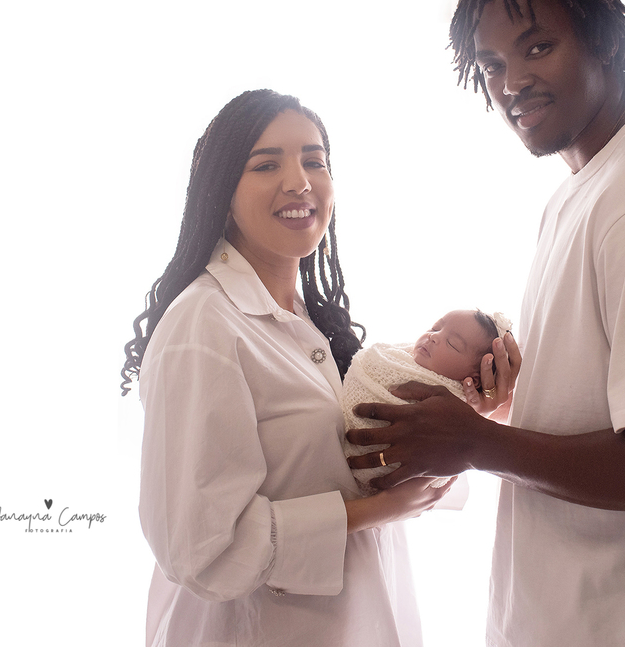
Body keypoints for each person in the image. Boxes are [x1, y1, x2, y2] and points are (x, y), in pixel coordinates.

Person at [346, 0, 625, 646]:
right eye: (492, 64)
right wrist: (505, 411)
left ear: (604, 40)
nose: (513, 82)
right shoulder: (587, 188)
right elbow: (606, 409)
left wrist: (477, 443)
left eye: (538, 46)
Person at [121, 89, 453, 647]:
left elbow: (356, 462)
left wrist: (476, 404)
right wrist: (375, 510)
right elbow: (199, 548)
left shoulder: (311, 321)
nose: (299, 181)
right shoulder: (202, 327)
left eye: (314, 161)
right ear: (222, 192)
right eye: (266, 164)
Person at [343, 309, 511, 495]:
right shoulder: (392, 357)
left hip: (390, 488)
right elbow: (366, 363)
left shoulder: (456, 406)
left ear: (474, 379)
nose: (434, 337)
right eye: (435, 328)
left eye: (452, 343)